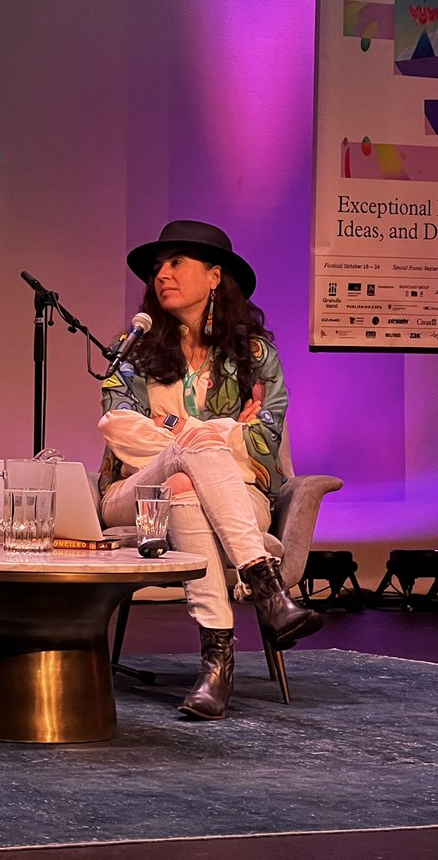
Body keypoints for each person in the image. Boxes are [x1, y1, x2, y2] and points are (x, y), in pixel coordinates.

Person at [97, 220, 322, 720]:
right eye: (158, 267)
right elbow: (118, 428)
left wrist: (181, 440)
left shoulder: (255, 356)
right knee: (187, 458)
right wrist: (216, 433)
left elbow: (265, 441)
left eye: (176, 262)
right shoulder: (133, 348)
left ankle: (216, 661)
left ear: (215, 276)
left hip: (237, 495)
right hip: (135, 494)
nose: (163, 274)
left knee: (185, 482)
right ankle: (267, 588)